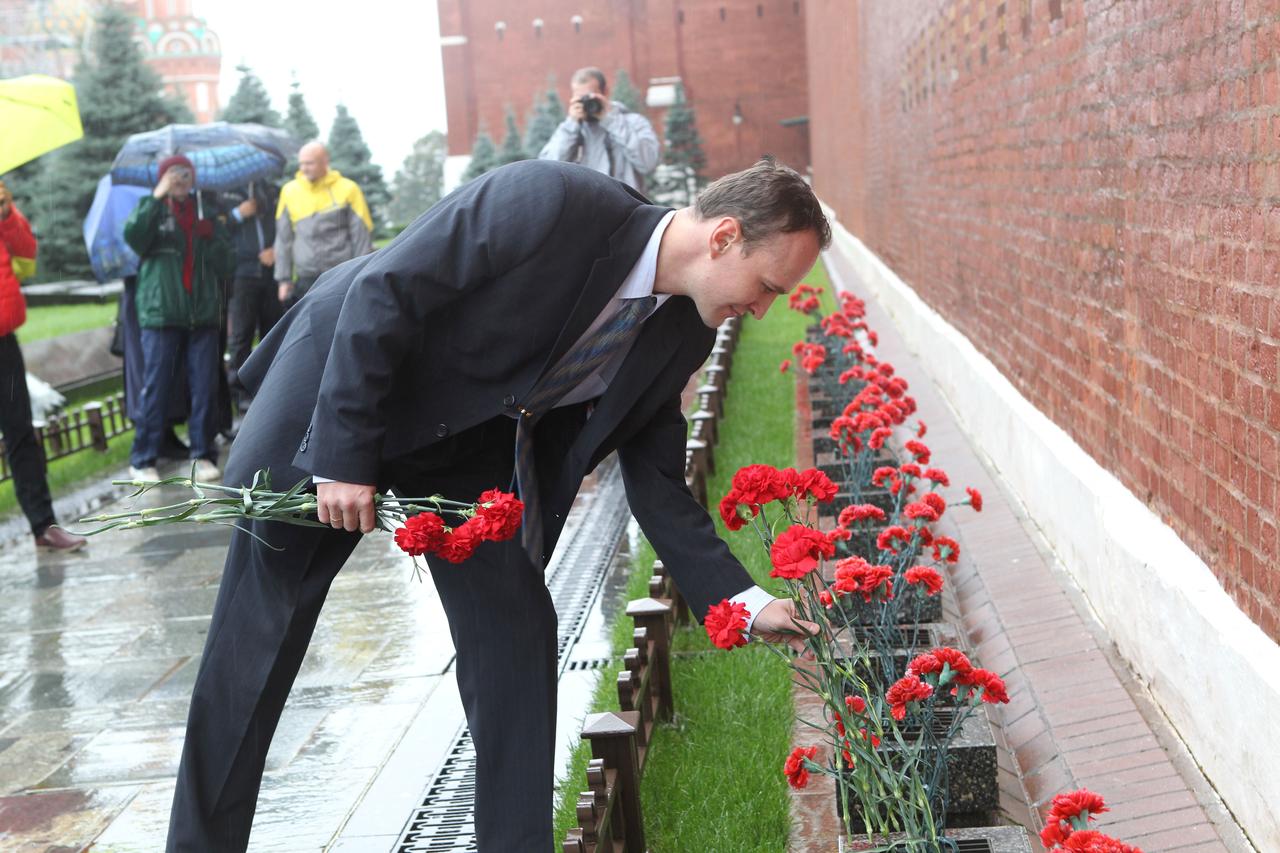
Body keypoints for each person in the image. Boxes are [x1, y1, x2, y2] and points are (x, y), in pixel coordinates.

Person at [166, 157, 828, 852]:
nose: (761, 309)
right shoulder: (551, 202)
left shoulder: (685, 326)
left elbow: (658, 480)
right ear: (725, 237)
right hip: (338, 397)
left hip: (460, 454)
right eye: (766, 287)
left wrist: (747, 602)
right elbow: (383, 290)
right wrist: (342, 454)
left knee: (516, 635)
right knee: (256, 645)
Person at [123, 155, 234, 482]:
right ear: (162, 178)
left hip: (201, 314)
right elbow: (134, 237)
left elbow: (227, 263)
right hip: (162, 313)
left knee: (204, 387)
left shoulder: (206, 212)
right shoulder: (151, 208)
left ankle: (202, 455)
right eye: (173, 174)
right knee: (156, 386)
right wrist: (157, 196)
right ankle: (143, 459)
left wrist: (210, 235)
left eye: (185, 174)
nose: (180, 179)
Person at [0, 179, 87, 552]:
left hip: (3, 337)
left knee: (20, 432)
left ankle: (43, 526)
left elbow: (26, 255)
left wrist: (6, 216)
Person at [273, 142, 373, 307]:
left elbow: (361, 236)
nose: (304, 168)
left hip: (342, 274)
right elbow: (283, 239)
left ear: (325, 162)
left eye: (309, 163)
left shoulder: (348, 189)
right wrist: (283, 279)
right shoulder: (289, 191)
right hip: (307, 278)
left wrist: (361, 274)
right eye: (301, 163)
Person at [539, 66, 660, 192]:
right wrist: (571, 125)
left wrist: (610, 121)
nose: (587, 103)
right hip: (588, 207)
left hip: (628, 207)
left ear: (605, 92)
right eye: (581, 98)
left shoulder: (633, 122)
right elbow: (548, 171)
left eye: (590, 97)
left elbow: (648, 163)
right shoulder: (571, 129)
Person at [222, 181, 281, 412]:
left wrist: (276, 248)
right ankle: (241, 392)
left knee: (274, 331)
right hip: (242, 274)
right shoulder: (224, 193)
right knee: (241, 335)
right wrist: (238, 214)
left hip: (270, 272)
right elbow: (217, 232)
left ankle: (272, 387)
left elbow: (284, 226)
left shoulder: (272, 191)